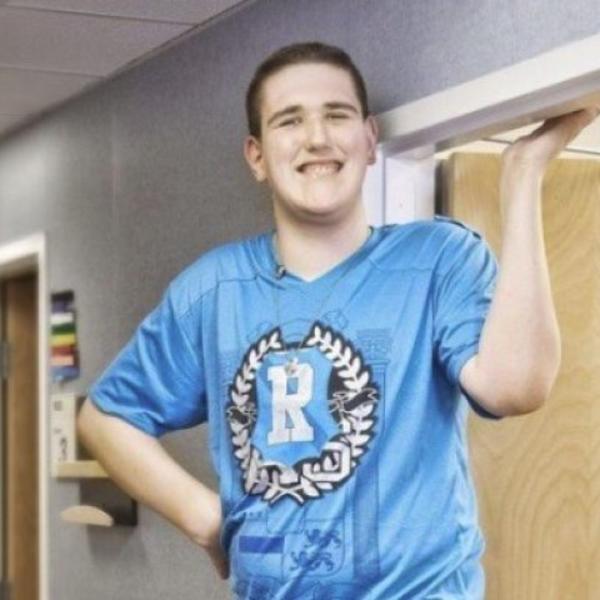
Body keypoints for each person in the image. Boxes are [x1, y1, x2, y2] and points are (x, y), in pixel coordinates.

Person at [78, 41, 598, 599]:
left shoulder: (437, 258)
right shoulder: (213, 290)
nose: (317, 138)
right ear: (256, 156)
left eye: (337, 115)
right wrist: (204, 518)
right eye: (289, 121)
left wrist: (522, 176)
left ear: (370, 139)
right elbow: (106, 418)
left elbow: (516, 387)